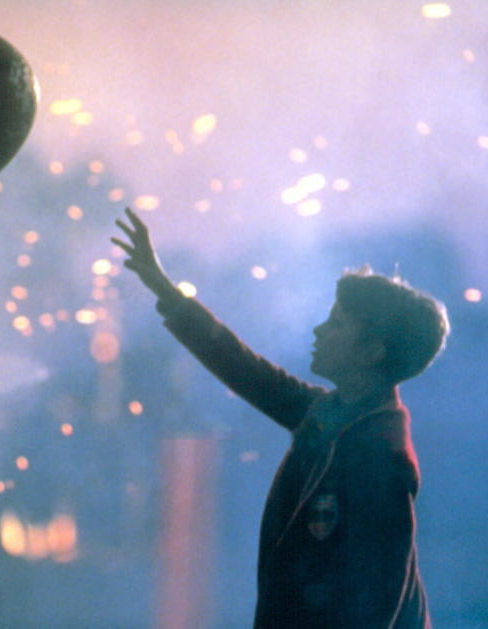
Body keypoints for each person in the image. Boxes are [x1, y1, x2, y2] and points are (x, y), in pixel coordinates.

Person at [113, 208, 447, 628]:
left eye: (337, 323)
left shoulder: (381, 460)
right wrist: (163, 286)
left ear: (371, 352)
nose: (319, 331)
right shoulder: (329, 415)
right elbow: (243, 368)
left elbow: (377, 603)